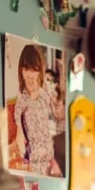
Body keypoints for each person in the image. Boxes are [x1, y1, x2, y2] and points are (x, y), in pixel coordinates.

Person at [12, 44, 63, 176]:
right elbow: (19, 137)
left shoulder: (46, 96)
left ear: (39, 71)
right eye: (26, 69)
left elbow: (57, 124)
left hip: (52, 158)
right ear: (21, 70)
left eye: (34, 70)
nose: (30, 75)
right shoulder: (21, 102)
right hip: (34, 162)